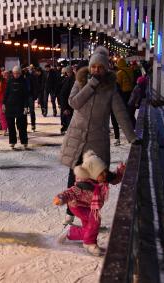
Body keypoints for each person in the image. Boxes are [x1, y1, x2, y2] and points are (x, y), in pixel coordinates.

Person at [60, 46, 139, 225]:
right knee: (74, 176)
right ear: (90, 66)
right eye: (93, 66)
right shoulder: (80, 80)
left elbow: (121, 114)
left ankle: (89, 218)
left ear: (105, 68)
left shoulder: (110, 88)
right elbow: (74, 103)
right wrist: (90, 85)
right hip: (77, 138)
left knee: (94, 181)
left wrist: (131, 137)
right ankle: (69, 212)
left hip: (96, 141)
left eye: (100, 67)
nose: (96, 70)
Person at [53, 151, 126, 256]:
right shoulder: (83, 185)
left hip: (89, 207)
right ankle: (89, 244)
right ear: (93, 174)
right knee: (95, 219)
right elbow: (70, 192)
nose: (105, 174)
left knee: (89, 228)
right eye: (102, 173)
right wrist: (60, 198)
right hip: (78, 206)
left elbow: (114, 178)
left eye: (105, 171)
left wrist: (121, 170)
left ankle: (71, 232)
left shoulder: (102, 179)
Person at [3, 66, 30, 150]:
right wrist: (4, 103)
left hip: (20, 106)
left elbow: (26, 95)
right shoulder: (10, 81)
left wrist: (26, 106)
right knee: (11, 126)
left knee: (22, 125)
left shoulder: (24, 81)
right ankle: (12, 141)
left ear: (20, 73)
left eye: (17, 73)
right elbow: (6, 93)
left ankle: (24, 141)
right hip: (10, 106)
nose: (16, 75)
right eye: (14, 73)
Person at [112, 58, 135, 146]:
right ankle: (132, 133)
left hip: (123, 95)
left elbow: (118, 85)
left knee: (118, 116)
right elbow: (132, 81)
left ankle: (117, 138)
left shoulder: (119, 73)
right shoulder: (130, 70)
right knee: (128, 113)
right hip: (130, 93)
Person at [58, 66, 76, 135]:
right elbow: (62, 93)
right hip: (69, 105)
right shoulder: (68, 80)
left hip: (69, 105)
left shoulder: (70, 80)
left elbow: (63, 94)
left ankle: (65, 127)